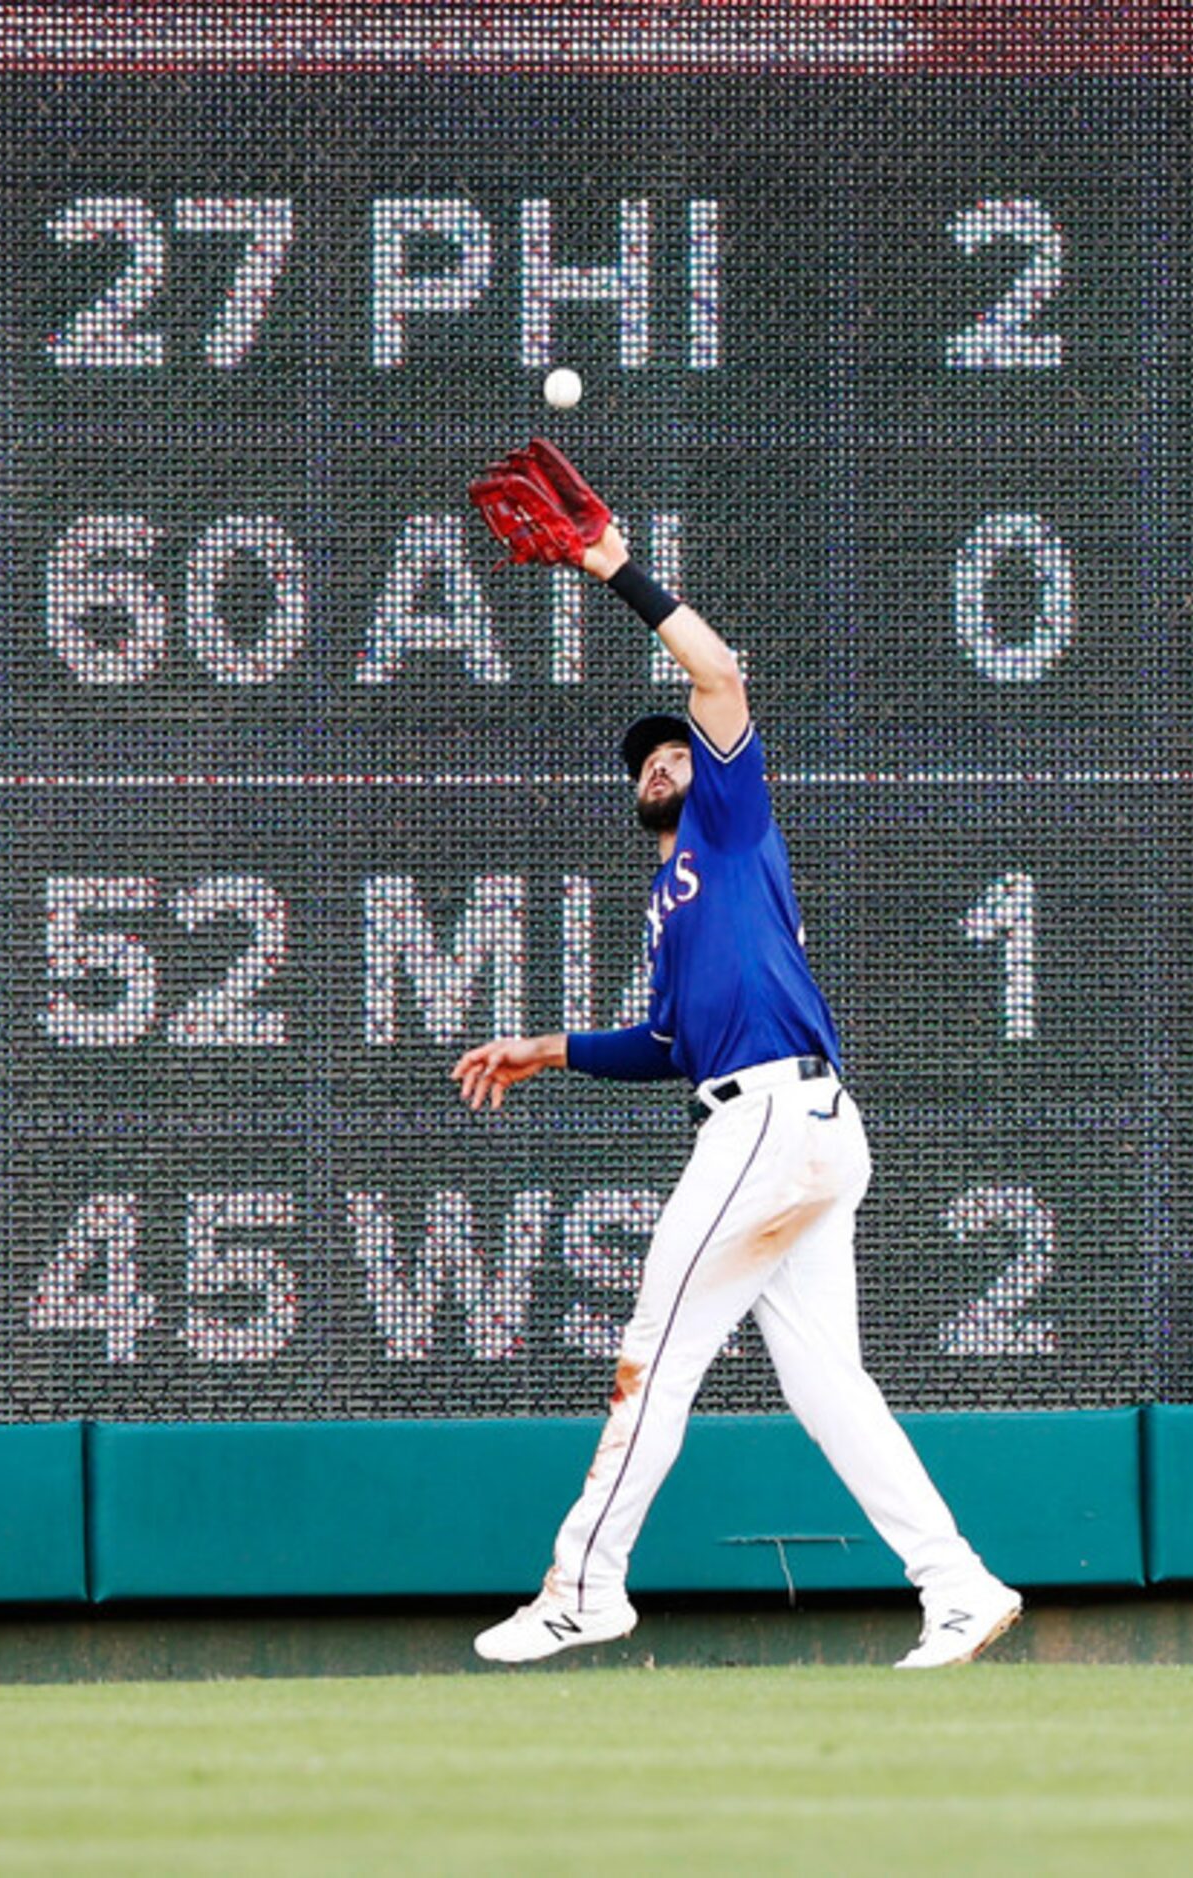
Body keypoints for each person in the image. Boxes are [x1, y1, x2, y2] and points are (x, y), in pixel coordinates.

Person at [453, 441, 1021, 1671]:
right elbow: (665, 1043)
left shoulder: (733, 818)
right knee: (831, 1389)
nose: (660, 760)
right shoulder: (673, 907)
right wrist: (549, 1048)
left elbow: (712, 670)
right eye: (644, 760)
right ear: (634, 797)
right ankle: (959, 1586)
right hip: (791, 1129)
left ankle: (583, 1586)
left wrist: (610, 563)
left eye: (671, 750)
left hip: (773, 1123)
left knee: (656, 1348)